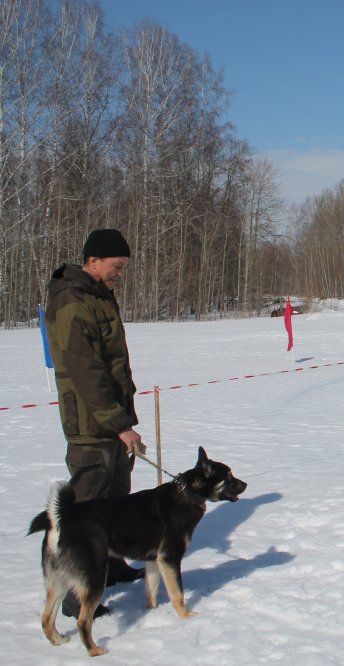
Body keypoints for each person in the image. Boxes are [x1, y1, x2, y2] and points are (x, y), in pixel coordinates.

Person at [45, 228, 145, 618]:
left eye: (124, 267)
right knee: (88, 510)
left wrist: (123, 418)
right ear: (94, 260)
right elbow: (86, 372)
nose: (120, 273)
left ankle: (113, 565)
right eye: (117, 266)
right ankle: (78, 595)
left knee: (117, 499)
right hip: (91, 424)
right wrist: (119, 423)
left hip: (112, 418)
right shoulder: (72, 300)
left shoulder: (99, 295)